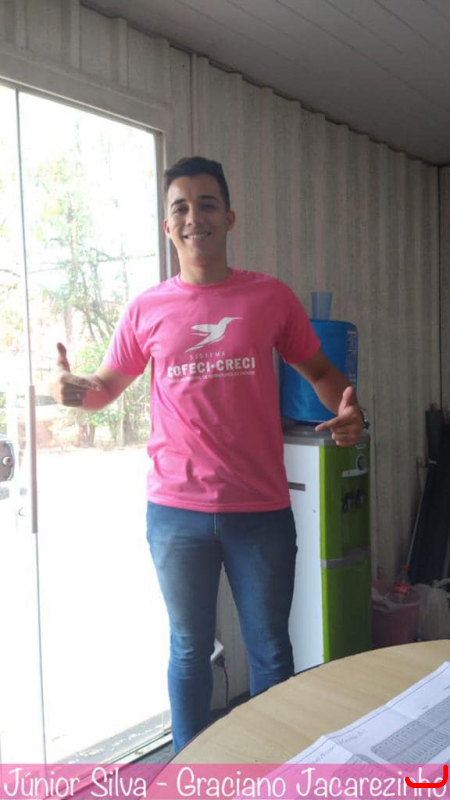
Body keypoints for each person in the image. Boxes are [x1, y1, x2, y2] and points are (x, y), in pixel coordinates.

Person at [50, 156, 365, 753]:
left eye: (207, 203)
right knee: (190, 649)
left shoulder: (268, 296)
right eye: (181, 207)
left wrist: (352, 411)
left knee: (270, 650)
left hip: (260, 510)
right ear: (168, 226)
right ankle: (187, 773)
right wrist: (68, 389)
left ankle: (276, 771)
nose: (194, 216)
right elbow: (104, 388)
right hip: (176, 513)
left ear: (229, 216)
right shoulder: (146, 309)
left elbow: (323, 373)